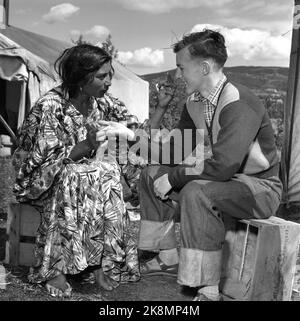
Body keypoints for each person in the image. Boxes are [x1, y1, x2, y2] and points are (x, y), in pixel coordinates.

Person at [137, 29, 283, 301]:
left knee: (197, 191)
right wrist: (137, 142)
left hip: (259, 188)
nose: (178, 75)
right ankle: (167, 257)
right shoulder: (194, 102)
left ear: (204, 67)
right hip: (225, 182)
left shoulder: (239, 102)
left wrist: (176, 178)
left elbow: (224, 166)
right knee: (151, 174)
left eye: (181, 68)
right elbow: (175, 152)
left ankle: (207, 289)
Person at [12, 44, 146, 297]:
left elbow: (134, 130)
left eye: (110, 75)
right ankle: (55, 269)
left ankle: (101, 262)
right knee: (77, 176)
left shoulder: (103, 102)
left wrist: (125, 132)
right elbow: (42, 162)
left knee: (107, 171)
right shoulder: (51, 106)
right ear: (81, 77)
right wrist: (87, 145)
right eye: (101, 76)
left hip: (89, 171)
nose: (108, 82)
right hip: (44, 176)